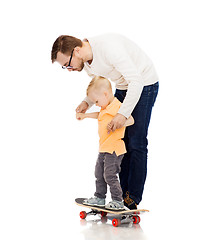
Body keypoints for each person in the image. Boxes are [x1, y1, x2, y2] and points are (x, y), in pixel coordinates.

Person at [51, 33, 159, 209]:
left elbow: (137, 81)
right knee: (119, 141)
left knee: (136, 142)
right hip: (124, 86)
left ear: (76, 51)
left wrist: (122, 114)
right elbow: (99, 84)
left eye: (67, 64)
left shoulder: (108, 49)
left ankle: (132, 199)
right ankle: (119, 198)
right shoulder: (86, 62)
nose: (69, 69)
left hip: (144, 84)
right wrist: (87, 102)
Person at [76, 76, 134, 210]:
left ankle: (117, 201)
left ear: (105, 94)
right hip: (104, 148)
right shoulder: (105, 107)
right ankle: (100, 197)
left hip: (114, 149)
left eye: (96, 101)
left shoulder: (117, 106)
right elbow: (99, 115)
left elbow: (131, 120)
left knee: (110, 175)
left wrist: (118, 123)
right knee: (99, 173)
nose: (96, 104)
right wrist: (85, 116)